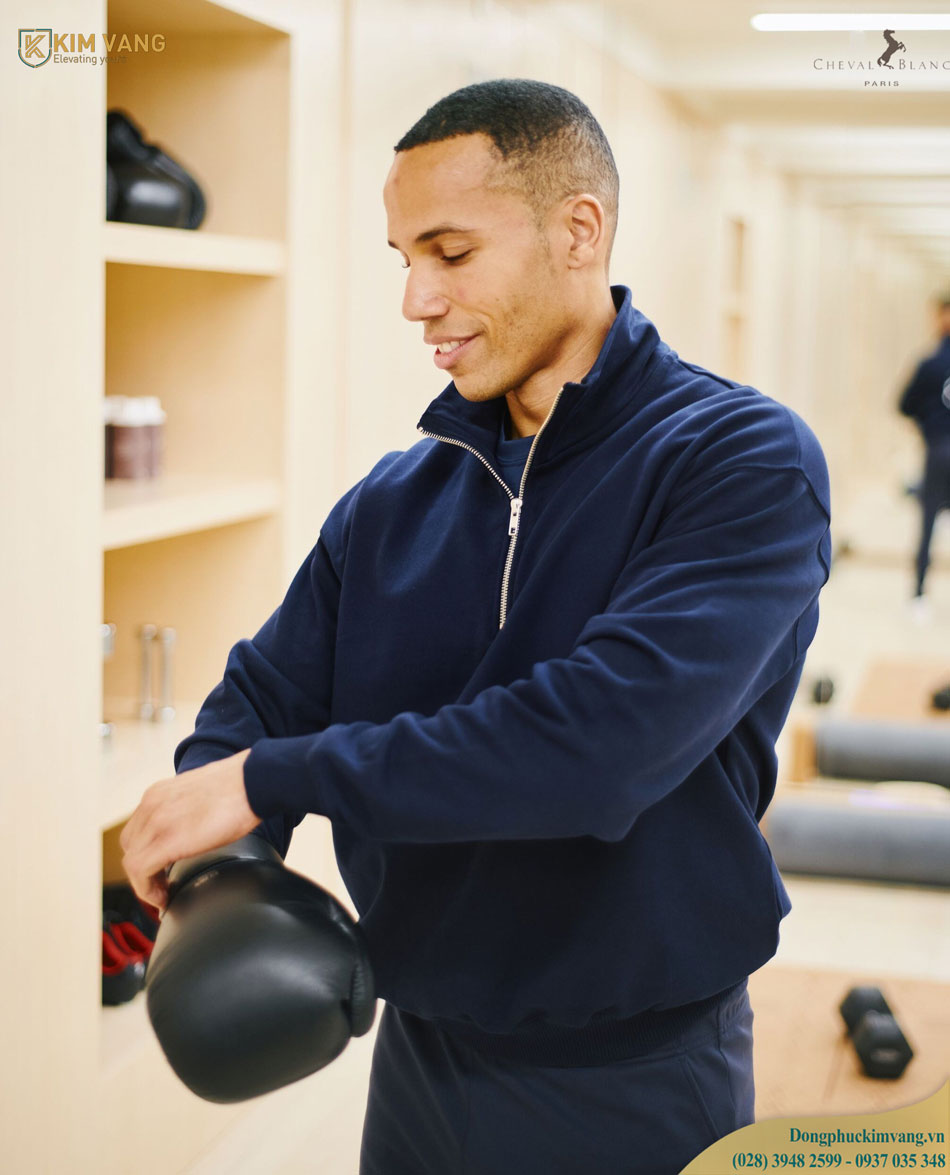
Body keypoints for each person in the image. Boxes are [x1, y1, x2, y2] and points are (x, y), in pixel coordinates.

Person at [121, 79, 832, 1174]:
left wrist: (271, 780)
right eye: (401, 257)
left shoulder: (737, 460)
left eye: (449, 253)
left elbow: (599, 746)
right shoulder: (395, 500)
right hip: (418, 1054)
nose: (415, 298)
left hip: (630, 1071)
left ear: (576, 229)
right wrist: (232, 865)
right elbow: (252, 704)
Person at [898, 293, 950, 610]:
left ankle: (918, 594)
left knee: (929, 520)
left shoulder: (930, 363)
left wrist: (927, 423)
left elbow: (905, 405)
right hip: (938, 449)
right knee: (928, 519)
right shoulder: (929, 362)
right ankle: (918, 593)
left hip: (938, 449)